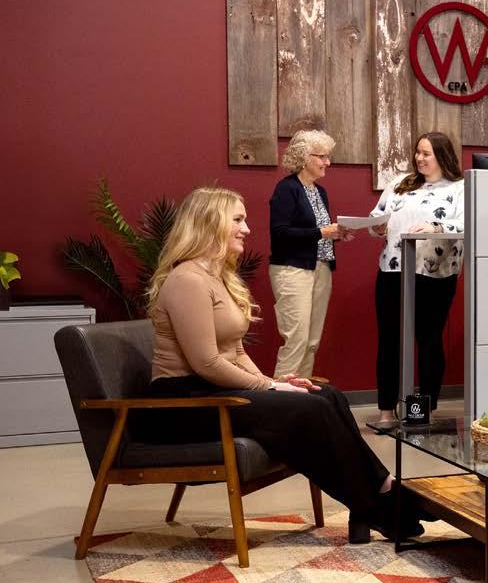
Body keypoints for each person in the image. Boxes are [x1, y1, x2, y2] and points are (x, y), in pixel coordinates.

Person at [136, 186, 421, 544]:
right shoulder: (186, 280)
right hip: (184, 404)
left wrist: (272, 381)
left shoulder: (216, 277)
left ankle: (377, 493)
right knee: (310, 409)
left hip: (212, 390)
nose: (246, 229)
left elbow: (234, 351)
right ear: (209, 223)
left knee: (328, 395)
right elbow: (206, 362)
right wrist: (271, 387)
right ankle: (380, 500)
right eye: (237, 220)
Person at [367, 131, 464, 428]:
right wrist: (377, 227)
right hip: (393, 270)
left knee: (429, 340)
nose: (419, 158)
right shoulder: (400, 183)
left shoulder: (461, 188)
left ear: (442, 157)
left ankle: (424, 409)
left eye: (426, 154)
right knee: (389, 340)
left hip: (434, 275)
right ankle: (386, 412)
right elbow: (376, 217)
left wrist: (437, 226)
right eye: (418, 153)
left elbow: (466, 222)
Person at [268, 130, 351, 379]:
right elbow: (280, 233)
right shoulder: (287, 189)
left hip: (321, 268)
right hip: (292, 269)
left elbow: (316, 233)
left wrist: (337, 234)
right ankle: (282, 397)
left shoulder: (320, 191)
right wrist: (323, 232)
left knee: (312, 341)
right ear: (304, 157)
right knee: (296, 339)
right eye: (322, 156)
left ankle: (301, 396)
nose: (328, 162)